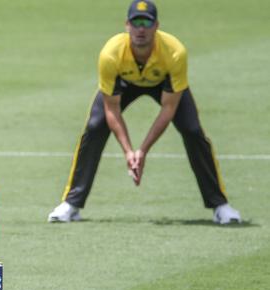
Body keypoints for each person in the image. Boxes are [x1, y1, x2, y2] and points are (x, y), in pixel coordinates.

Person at [48, 0, 241, 225]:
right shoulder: (110, 54)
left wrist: (143, 150)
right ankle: (71, 204)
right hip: (125, 81)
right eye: (135, 22)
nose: (141, 29)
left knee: (192, 130)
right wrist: (129, 152)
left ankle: (220, 205)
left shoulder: (175, 52)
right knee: (95, 127)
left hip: (164, 83)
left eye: (146, 23)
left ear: (156, 25)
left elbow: (169, 109)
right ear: (126, 25)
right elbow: (112, 109)